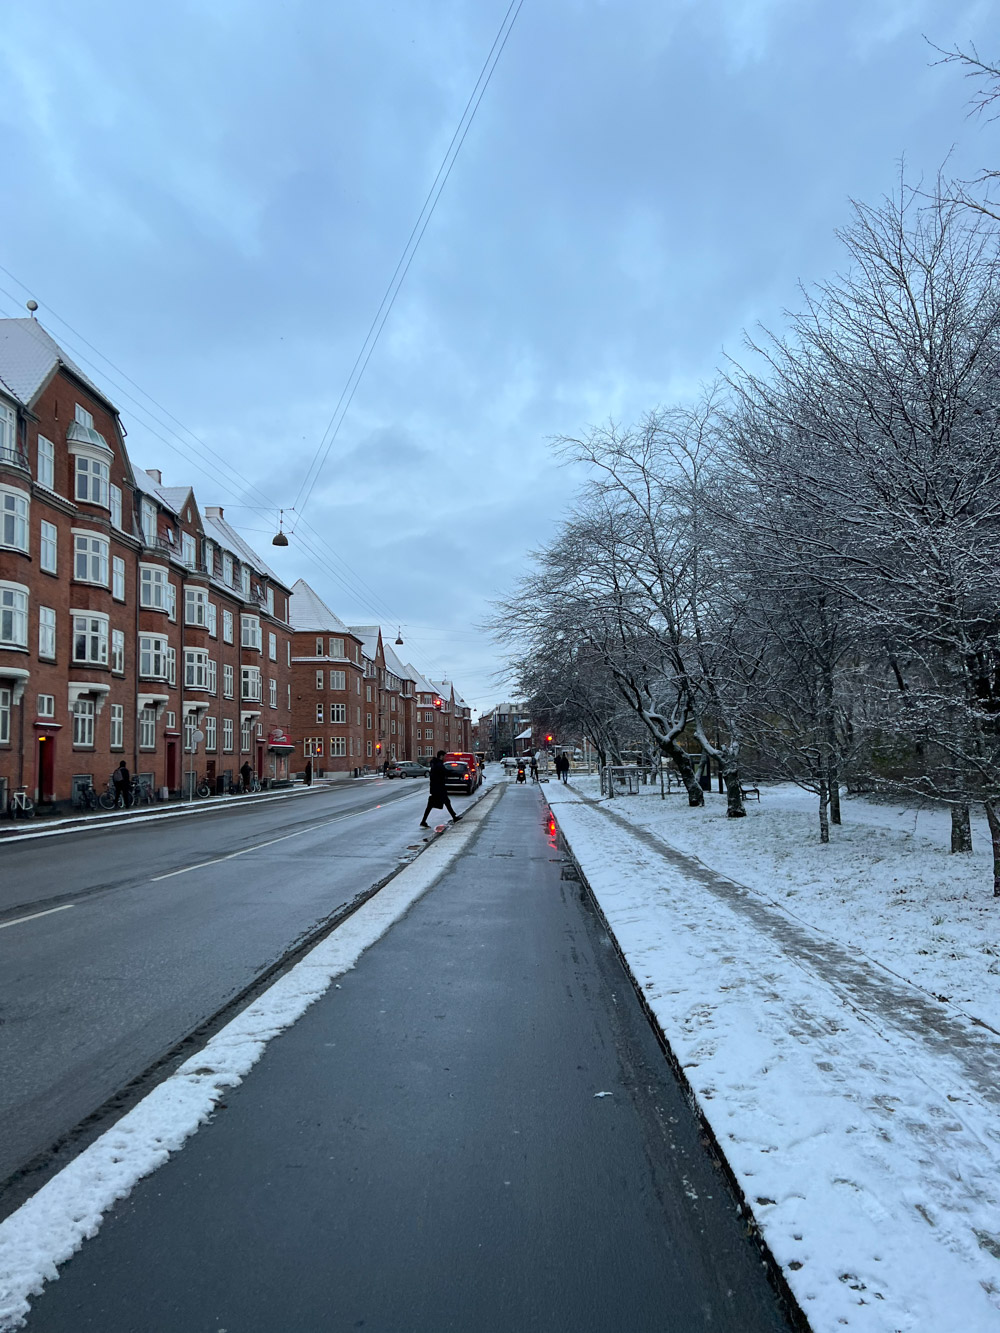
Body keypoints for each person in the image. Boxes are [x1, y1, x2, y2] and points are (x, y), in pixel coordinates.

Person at [420, 750, 462, 827]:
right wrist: (458, 773)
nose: (445, 758)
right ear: (441, 756)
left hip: (435, 787)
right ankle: (454, 817)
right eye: (444, 756)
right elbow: (445, 772)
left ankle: (423, 821)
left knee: (436, 804)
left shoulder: (434, 764)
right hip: (439, 788)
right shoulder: (439, 765)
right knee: (444, 802)